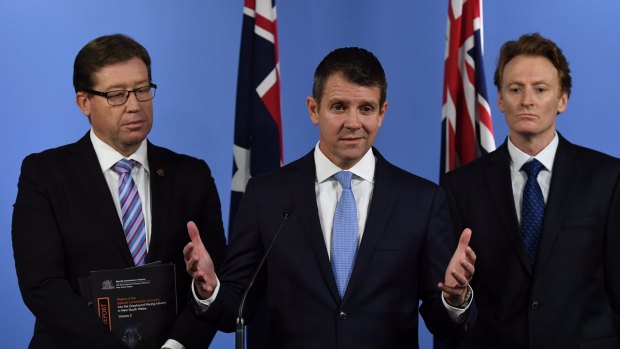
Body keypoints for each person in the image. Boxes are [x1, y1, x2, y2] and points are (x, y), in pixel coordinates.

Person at [184, 47, 477, 348]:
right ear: (313, 109)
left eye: (365, 108)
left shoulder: (421, 200)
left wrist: (456, 299)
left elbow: (444, 323)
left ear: (382, 113)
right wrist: (209, 289)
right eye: (339, 107)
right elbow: (234, 306)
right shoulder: (266, 195)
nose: (353, 122)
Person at [11, 34, 227, 349]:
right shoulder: (45, 174)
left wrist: (178, 344)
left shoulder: (192, 176)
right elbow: (42, 285)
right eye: (116, 95)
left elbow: (213, 280)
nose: (134, 105)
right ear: (84, 102)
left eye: (142, 90)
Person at [440, 33, 620, 348]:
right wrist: (457, 299)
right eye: (515, 89)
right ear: (499, 99)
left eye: (540, 89)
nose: (527, 100)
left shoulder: (607, 178)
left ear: (562, 99)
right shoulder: (461, 186)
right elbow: (452, 298)